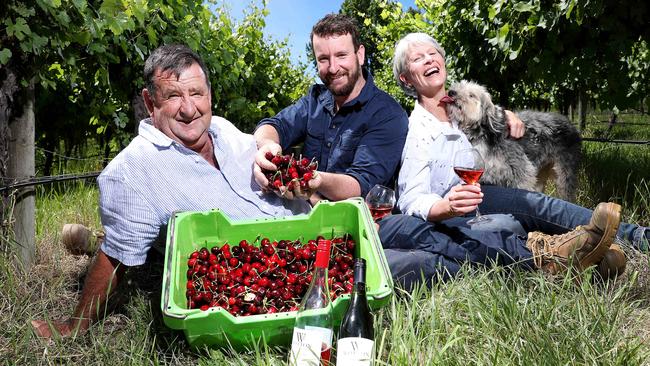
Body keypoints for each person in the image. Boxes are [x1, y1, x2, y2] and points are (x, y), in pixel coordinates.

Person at [31, 44, 312, 339]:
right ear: (150, 103)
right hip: (266, 275)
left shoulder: (222, 128)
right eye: (174, 96)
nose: (189, 109)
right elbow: (115, 257)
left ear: (210, 94)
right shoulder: (133, 170)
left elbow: (266, 159)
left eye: (197, 93)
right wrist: (75, 326)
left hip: (313, 237)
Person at [391, 32, 648, 264]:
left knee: (537, 204)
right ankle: (581, 256)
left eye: (432, 53)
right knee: (507, 226)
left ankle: (637, 237)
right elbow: (411, 199)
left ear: (443, 61)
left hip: (485, 193)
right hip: (453, 211)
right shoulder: (417, 131)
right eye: (417, 58)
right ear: (406, 79)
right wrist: (447, 206)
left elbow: (488, 115)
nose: (428, 59)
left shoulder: (464, 109)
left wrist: (507, 114)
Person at [253, 13, 409, 205]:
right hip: (304, 210)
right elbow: (274, 125)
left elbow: (362, 184)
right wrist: (268, 144)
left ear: (360, 55)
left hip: (350, 223)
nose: (333, 68)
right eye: (323, 59)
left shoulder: (388, 114)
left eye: (341, 55)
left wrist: (313, 181)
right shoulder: (315, 99)